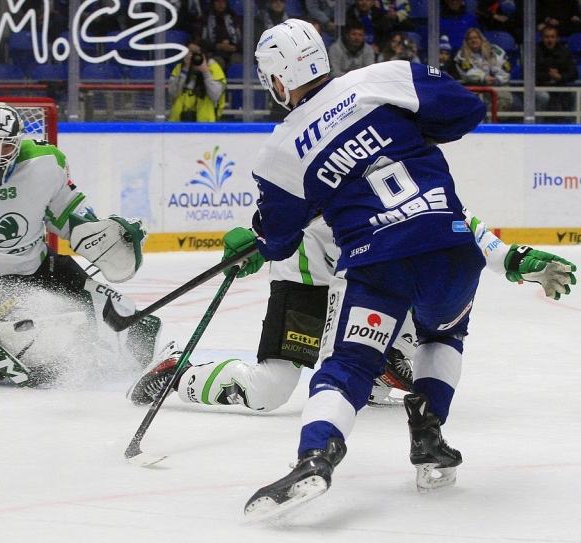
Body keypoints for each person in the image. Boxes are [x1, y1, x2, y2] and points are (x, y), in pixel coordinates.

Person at [236, 18, 573, 521]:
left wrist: (257, 238)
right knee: (443, 338)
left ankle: (317, 456)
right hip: (450, 247)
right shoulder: (383, 77)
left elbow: (280, 238)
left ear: (277, 80)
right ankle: (429, 437)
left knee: (349, 365)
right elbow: (466, 109)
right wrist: (405, 132)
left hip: (377, 263)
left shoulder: (278, 151)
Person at [126, 210, 576, 414]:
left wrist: (514, 259)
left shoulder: (395, 160)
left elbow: (454, 221)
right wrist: (261, 244)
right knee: (269, 391)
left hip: (356, 274)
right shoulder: (324, 151)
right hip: (304, 274)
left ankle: (382, 367)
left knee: (382, 339)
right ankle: (175, 370)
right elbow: (283, 208)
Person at [0, 102, 164, 384]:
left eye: (8, 146)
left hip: (40, 266)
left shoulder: (47, 162)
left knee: (116, 307)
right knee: (49, 319)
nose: (0, 155)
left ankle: (143, 365)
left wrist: (96, 234)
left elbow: (66, 212)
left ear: (20, 141)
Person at [455, 27, 516, 111]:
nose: (473, 41)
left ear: (481, 38)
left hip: (497, 85)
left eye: (476, 37)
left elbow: (504, 67)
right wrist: (483, 77)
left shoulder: (495, 50)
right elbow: (468, 72)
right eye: (470, 39)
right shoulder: (461, 55)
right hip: (475, 88)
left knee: (514, 104)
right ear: (466, 41)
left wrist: (497, 79)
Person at [167, 38, 227, 122]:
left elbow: (215, 96)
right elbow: (173, 93)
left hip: (205, 124)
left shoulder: (214, 69)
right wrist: (184, 70)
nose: (194, 56)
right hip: (178, 123)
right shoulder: (179, 68)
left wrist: (205, 72)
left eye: (197, 53)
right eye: (190, 52)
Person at [535, 24, 578, 123]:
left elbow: (574, 73)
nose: (549, 40)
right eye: (546, 37)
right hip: (539, 86)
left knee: (574, 94)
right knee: (543, 96)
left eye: (552, 37)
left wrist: (560, 77)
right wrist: (548, 76)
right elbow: (527, 74)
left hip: (560, 85)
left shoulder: (564, 51)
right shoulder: (535, 51)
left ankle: (572, 124)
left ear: (557, 38)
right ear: (541, 38)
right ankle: (537, 125)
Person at [197, 0, 243, 71]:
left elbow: (246, 39)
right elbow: (200, 40)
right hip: (213, 52)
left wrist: (235, 47)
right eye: (218, 1)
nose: (220, 4)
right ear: (213, 3)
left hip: (234, 52)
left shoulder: (235, 18)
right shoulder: (205, 19)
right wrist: (217, 46)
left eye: (223, 2)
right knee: (217, 62)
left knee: (237, 61)